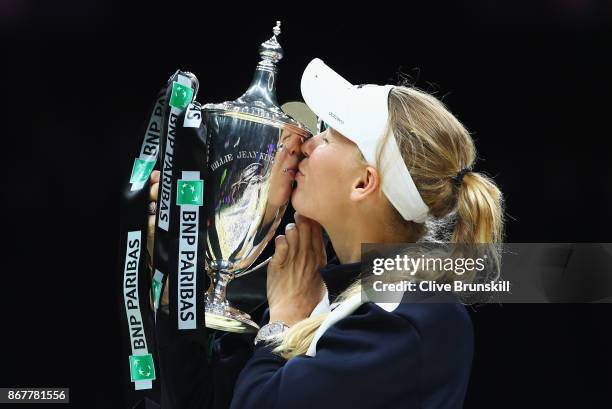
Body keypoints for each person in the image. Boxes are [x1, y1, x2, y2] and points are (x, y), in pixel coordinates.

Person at [147, 58, 505, 408]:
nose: (306, 143)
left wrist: (282, 323)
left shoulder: (415, 316)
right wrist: (179, 283)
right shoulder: (308, 281)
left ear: (363, 182)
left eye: (330, 135)